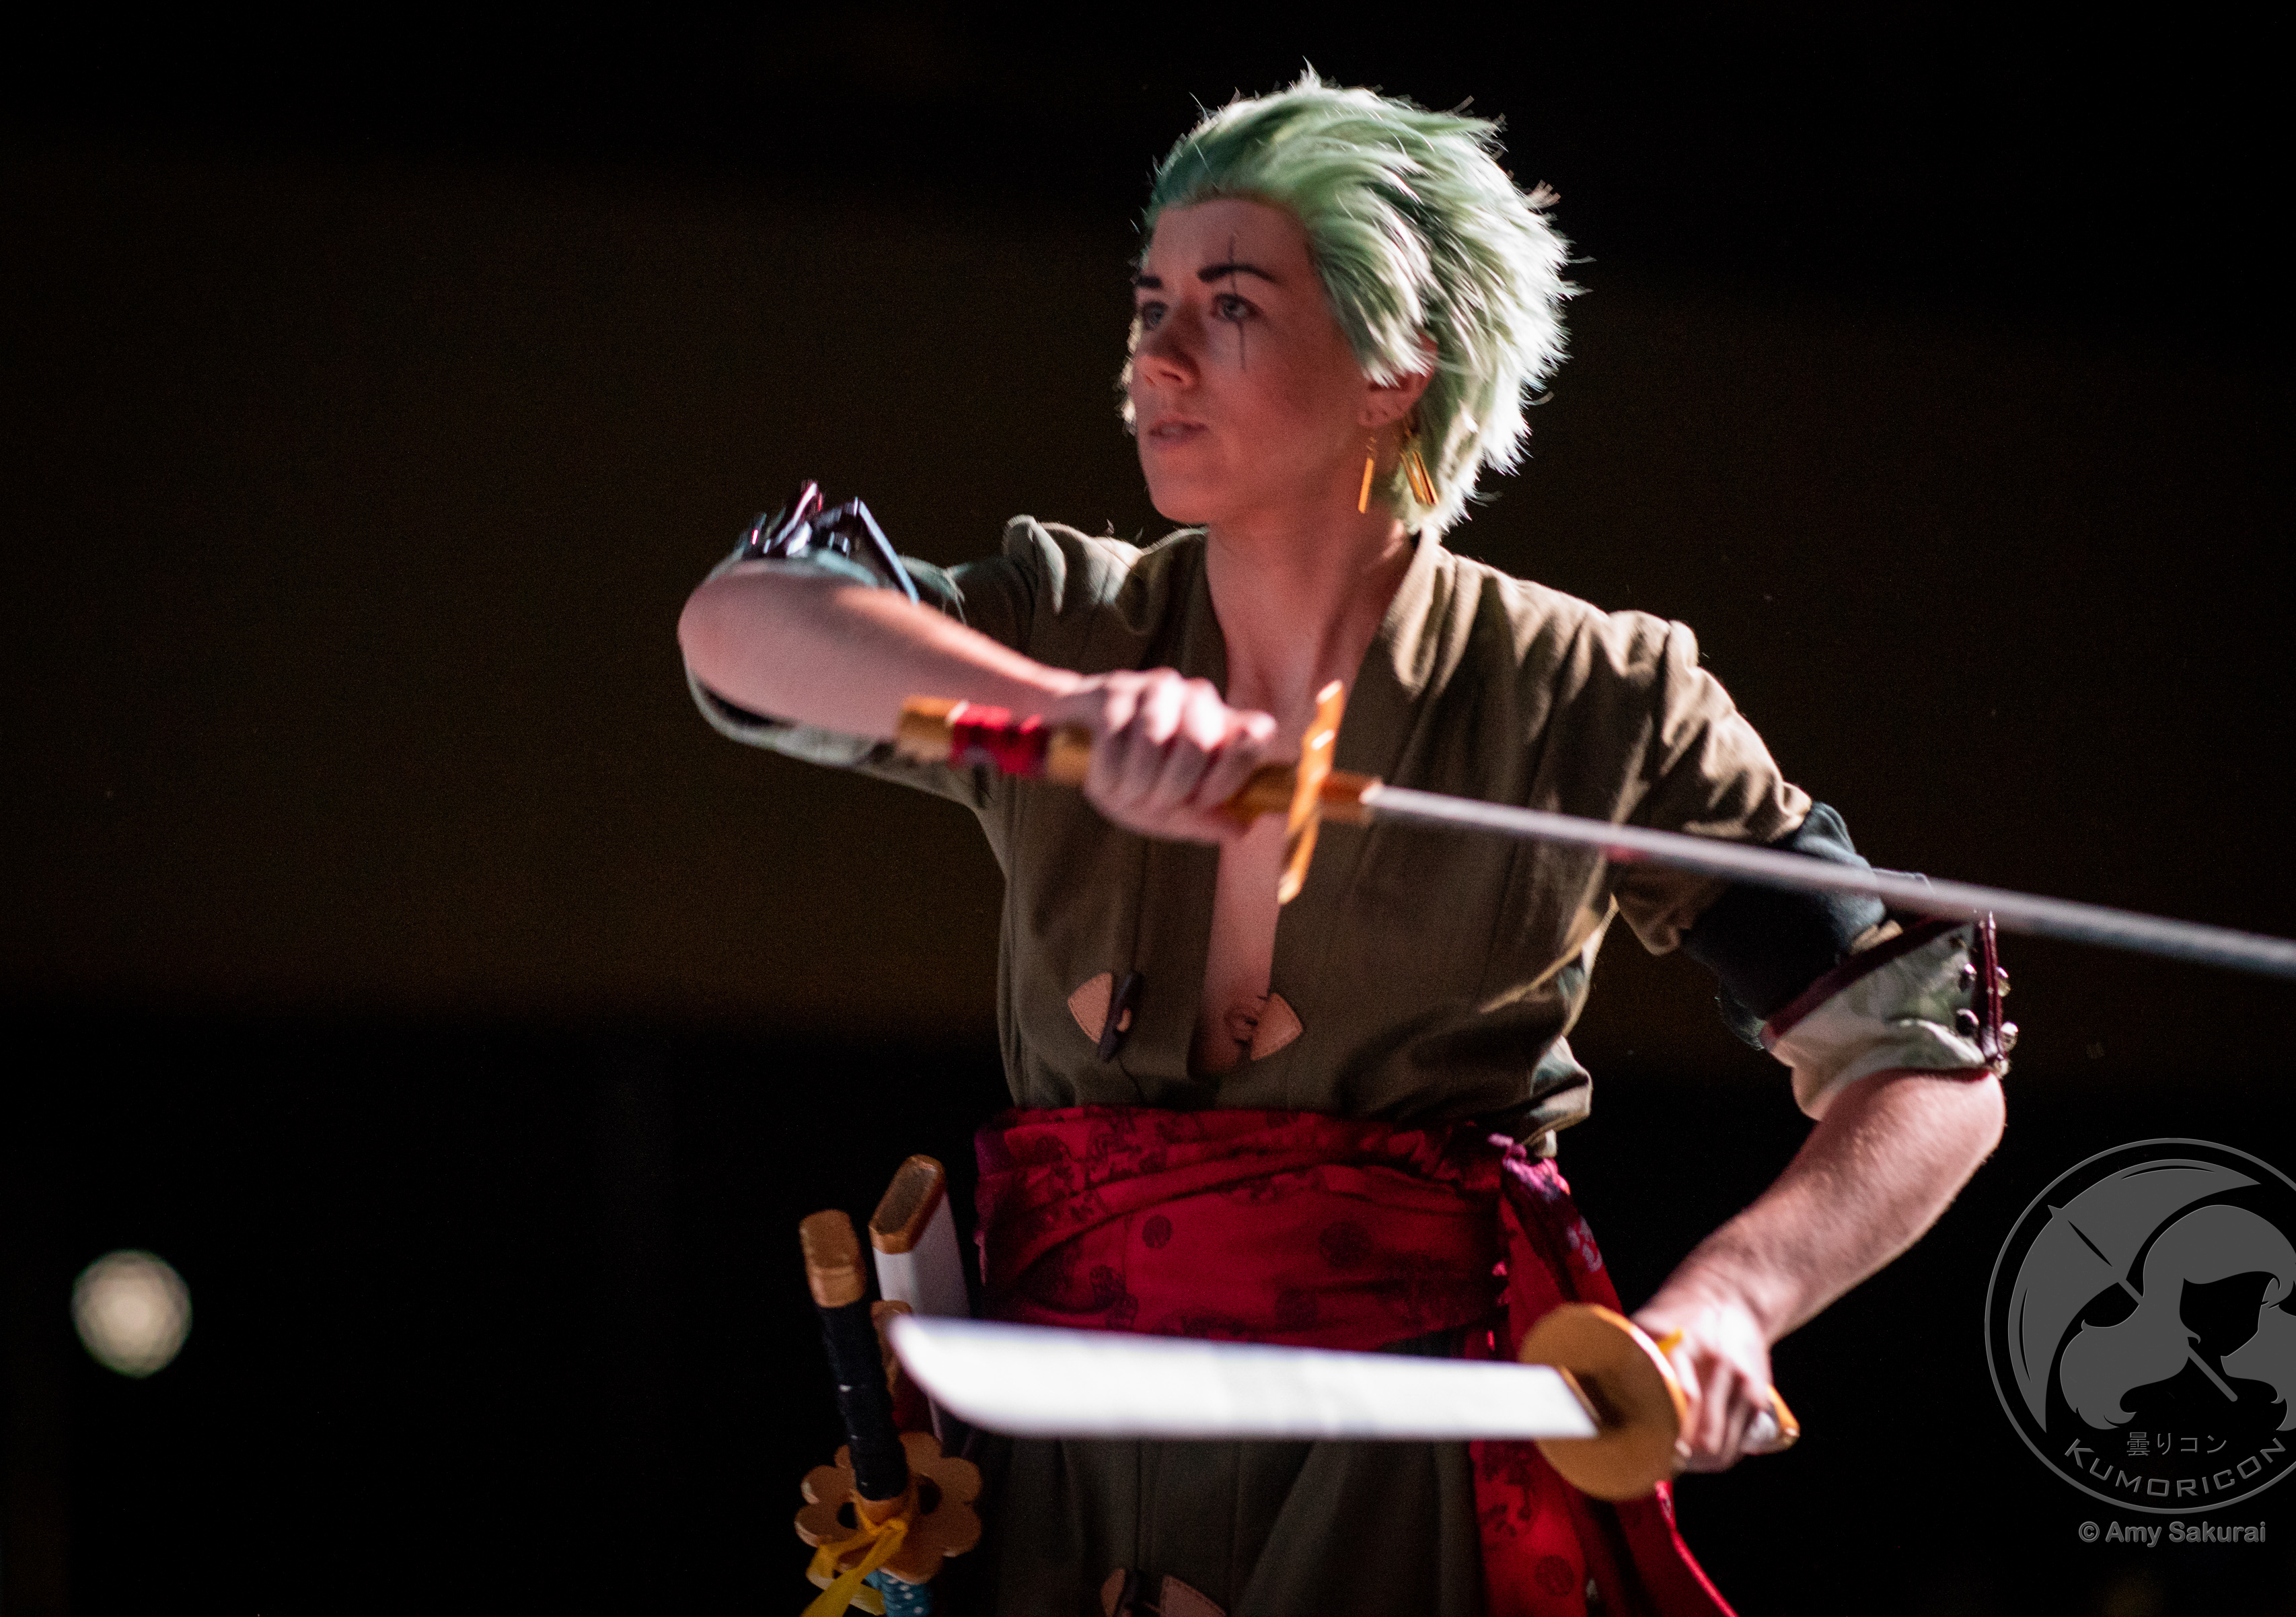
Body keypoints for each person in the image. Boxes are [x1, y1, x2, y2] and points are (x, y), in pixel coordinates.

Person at [679, 74, 2006, 1617]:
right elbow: (738, 627)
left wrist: (1734, 1297)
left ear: (1397, 365)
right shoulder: (1066, 620)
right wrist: (1061, 710)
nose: (1157, 355)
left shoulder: (1591, 696)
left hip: (1409, 1484)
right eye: (1151, 302)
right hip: (1056, 1475)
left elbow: (1927, 1063)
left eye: (1231, 304)